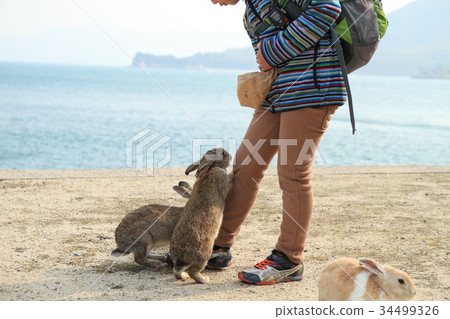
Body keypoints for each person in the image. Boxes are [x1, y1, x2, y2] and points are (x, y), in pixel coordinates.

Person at [208, 0, 346, 285]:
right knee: (246, 165)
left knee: (294, 173)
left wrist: (270, 52)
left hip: (313, 88)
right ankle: (217, 246)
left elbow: (328, 8)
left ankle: (289, 260)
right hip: (278, 92)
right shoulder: (250, 9)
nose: (214, 2)